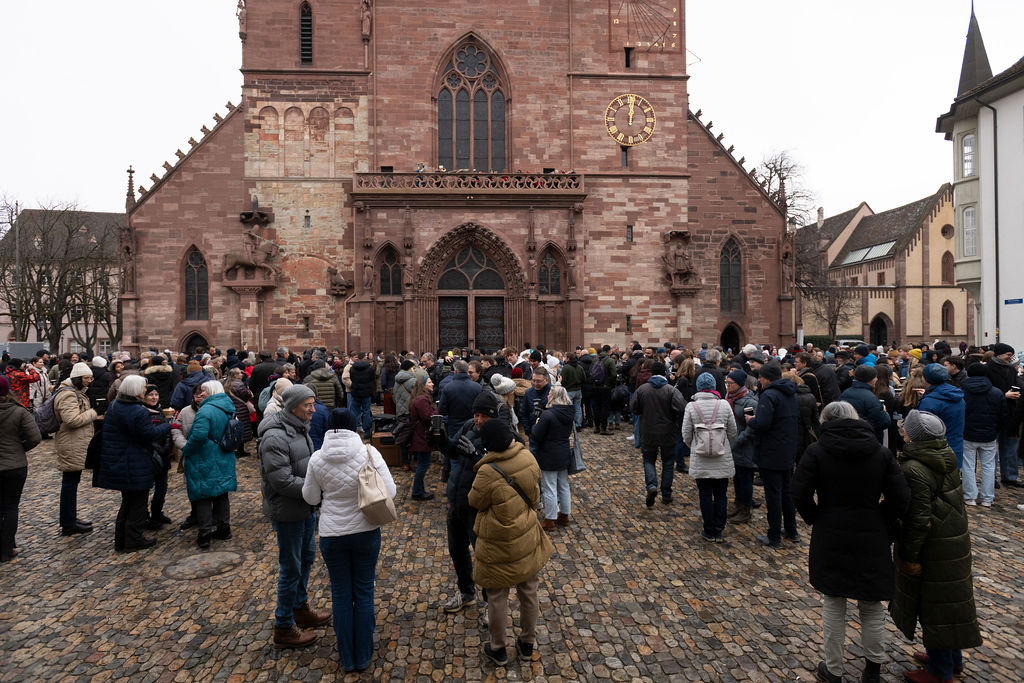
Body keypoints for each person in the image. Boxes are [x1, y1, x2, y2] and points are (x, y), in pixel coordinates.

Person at [791, 401, 910, 683]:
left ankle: (834, 669)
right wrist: (883, 520)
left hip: (831, 529)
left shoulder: (817, 451)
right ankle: (872, 670)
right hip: (871, 529)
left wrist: (816, 516)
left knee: (834, 601)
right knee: (871, 604)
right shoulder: (880, 453)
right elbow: (901, 497)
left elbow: (799, 491)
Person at [891, 410, 981, 683]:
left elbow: (918, 520)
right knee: (948, 602)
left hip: (933, 547)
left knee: (934, 604)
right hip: (952, 541)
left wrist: (909, 555)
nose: (902, 431)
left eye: (905, 428)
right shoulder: (945, 455)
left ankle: (940, 672)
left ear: (914, 436)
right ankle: (951, 659)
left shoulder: (914, 468)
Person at [302, 408, 395, 673]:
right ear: (354, 427)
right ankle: (363, 655)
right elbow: (390, 491)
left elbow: (310, 497)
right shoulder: (369, 452)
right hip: (365, 529)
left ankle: (347, 657)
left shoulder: (317, 458)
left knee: (341, 593)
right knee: (363, 591)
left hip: (332, 533)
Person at [469, 420, 554, 666]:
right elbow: (535, 496)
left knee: (497, 595)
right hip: (525, 534)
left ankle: (498, 648)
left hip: (498, 541)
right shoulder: (528, 458)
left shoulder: (487, 471)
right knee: (529, 591)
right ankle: (527, 643)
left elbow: (475, 501)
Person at [258, 383, 331, 649]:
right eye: (308, 405)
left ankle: (300, 608)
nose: (313, 409)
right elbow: (281, 480)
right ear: (293, 407)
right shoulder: (275, 437)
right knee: (291, 568)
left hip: (305, 507)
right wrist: (317, 489)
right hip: (288, 511)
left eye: (313, 404)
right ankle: (284, 625)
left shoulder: (299, 428)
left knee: (307, 558)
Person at [97, 375, 173, 552]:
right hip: (134, 462)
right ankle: (133, 540)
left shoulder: (116, 405)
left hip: (120, 461)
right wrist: (168, 425)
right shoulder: (137, 411)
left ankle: (121, 540)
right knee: (137, 505)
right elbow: (149, 434)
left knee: (127, 503)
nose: (145, 390)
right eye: (143, 388)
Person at [744, 362, 800, 548]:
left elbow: (763, 423)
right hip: (787, 448)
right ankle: (791, 531)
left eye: (760, 377)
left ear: (767, 378)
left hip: (771, 451)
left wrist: (751, 420)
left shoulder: (769, 395)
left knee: (773, 495)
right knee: (786, 493)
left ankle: (774, 535)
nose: (758, 380)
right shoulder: (790, 393)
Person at [181, 381, 238, 549]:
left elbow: (198, 436)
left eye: (204, 390)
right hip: (223, 454)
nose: (201, 394)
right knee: (221, 493)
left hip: (205, 457)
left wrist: (187, 449)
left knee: (203, 494)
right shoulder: (228, 406)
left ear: (211, 391)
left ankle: (204, 534)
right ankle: (224, 528)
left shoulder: (205, 410)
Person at [682, 373, 737, 542]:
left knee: (705, 494)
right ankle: (719, 528)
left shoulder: (691, 406)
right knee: (721, 493)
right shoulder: (724, 405)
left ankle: (708, 529)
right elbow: (733, 431)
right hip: (722, 455)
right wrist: (724, 444)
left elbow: (686, 434)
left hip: (701, 457)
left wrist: (696, 446)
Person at [631, 361, 686, 507]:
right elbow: (681, 408)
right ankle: (666, 494)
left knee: (649, 460)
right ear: (664, 373)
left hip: (648, 431)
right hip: (668, 432)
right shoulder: (671, 390)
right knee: (668, 463)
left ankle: (651, 486)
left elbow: (634, 408)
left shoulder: (642, 390)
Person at [55, 362, 99, 537]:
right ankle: (68, 522)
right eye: (87, 378)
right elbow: (71, 420)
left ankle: (70, 518)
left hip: (75, 442)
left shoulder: (75, 392)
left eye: (90, 378)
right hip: (71, 443)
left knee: (72, 483)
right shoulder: (68, 394)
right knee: (69, 484)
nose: (90, 381)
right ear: (78, 379)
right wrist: (93, 413)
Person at [0, 376, 41, 562]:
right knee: (10, 507)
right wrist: (19, 449)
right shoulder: (18, 411)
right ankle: (7, 548)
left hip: (12, 463)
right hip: (14, 466)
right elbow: (34, 437)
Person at [959, 362, 1005, 506]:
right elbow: (1002, 415)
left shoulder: (962, 391)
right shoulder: (996, 392)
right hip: (989, 434)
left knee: (967, 465)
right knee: (989, 466)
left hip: (968, 433)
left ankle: (970, 496)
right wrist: (997, 430)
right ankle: (987, 498)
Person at [530, 385, 574, 531]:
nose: (547, 395)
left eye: (550, 393)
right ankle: (565, 515)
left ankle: (550, 519)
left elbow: (536, 435)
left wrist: (536, 424)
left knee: (549, 487)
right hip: (563, 451)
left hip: (549, 453)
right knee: (563, 485)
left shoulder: (548, 414)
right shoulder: (569, 412)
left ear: (554, 396)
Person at [724, 368, 758, 524]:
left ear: (739, 384)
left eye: (730, 383)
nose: (727, 385)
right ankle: (738, 505)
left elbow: (751, 425)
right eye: (727, 383)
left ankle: (745, 510)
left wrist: (738, 440)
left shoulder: (748, 402)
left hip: (745, 447)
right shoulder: (729, 397)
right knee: (738, 478)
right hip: (733, 445)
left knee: (745, 479)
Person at [917, 364, 965, 469]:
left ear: (927, 379)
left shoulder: (930, 402)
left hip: (936, 450)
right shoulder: (957, 395)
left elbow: (922, 430)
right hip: (956, 446)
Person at [141, 384, 174, 529]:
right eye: (150, 395)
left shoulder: (159, 410)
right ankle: (144, 516)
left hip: (163, 454)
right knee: (146, 488)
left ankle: (157, 512)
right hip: (150, 455)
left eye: (156, 394)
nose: (154, 397)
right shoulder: (142, 412)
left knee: (162, 487)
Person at [408, 375, 438, 501]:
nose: (432, 384)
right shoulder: (421, 399)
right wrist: (438, 410)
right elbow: (427, 417)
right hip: (422, 436)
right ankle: (417, 492)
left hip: (420, 435)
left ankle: (419, 490)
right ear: (423, 385)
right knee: (423, 464)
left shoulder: (420, 398)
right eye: (430, 382)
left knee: (423, 464)